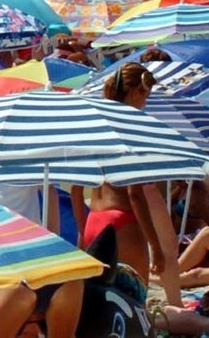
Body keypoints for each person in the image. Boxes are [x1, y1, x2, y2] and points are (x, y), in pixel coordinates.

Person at [73, 63, 182, 307]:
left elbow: (76, 188)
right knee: (135, 303)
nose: (146, 103)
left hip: (94, 219)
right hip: (123, 223)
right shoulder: (130, 129)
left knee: (101, 302)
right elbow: (135, 194)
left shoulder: (95, 127)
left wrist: (83, 232)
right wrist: (155, 244)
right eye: (146, 96)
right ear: (135, 93)